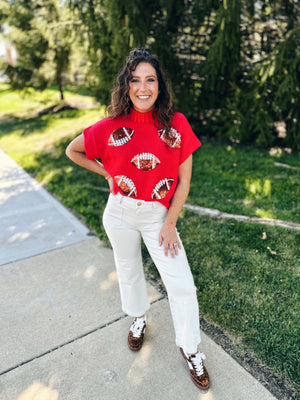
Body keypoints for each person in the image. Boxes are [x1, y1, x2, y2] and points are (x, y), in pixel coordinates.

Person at [65, 48, 210, 391]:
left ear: (160, 86)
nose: (143, 88)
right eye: (135, 80)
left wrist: (171, 221)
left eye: (150, 80)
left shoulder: (176, 125)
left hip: (159, 215)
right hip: (120, 213)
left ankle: (190, 349)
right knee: (128, 270)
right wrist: (106, 174)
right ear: (125, 86)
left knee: (181, 284)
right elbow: (73, 150)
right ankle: (139, 319)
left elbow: (184, 181)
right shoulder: (111, 126)